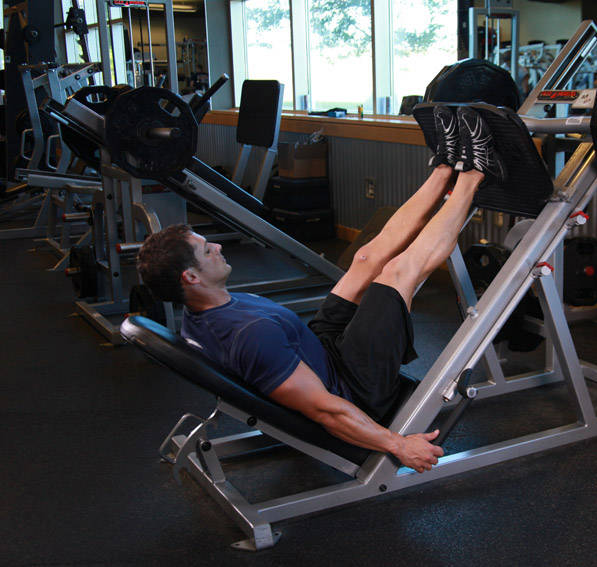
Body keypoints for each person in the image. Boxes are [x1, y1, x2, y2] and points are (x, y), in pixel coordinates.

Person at [136, 105, 506, 474]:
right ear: (191, 278)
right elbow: (325, 410)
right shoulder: (251, 337)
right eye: (206, 250)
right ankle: (475, 174)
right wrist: (398, 444)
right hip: (354, 389)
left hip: (318, 350)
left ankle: (444, 169)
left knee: (366, 258)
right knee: (397, 271)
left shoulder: (200, 314)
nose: (217, 247)